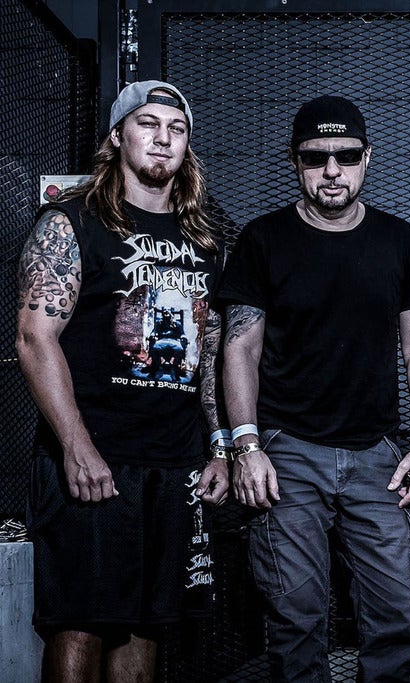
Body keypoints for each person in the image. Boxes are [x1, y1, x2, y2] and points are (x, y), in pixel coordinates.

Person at [219, 95, 410, 683]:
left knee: (398, 612)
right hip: (287, 455)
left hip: (376, 456)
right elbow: (240, 348)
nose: (332, 170)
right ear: (295, 161)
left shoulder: (399, 241)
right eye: (316, 157)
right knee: (296, 620)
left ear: (367, 157)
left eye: (346, 155)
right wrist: (246, 446)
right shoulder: (264, 239)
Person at [15, 80, 229, 682]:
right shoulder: (72, 222)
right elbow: (34, 339)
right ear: (117, 137)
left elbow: (208, 353)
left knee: (148, 624)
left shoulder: (205, 237)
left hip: (174, 460)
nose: (163, 139)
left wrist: (219, 446)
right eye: (147, 124)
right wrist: (77, 446)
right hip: (94, 458)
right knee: (79, 623)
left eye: (176, 129)